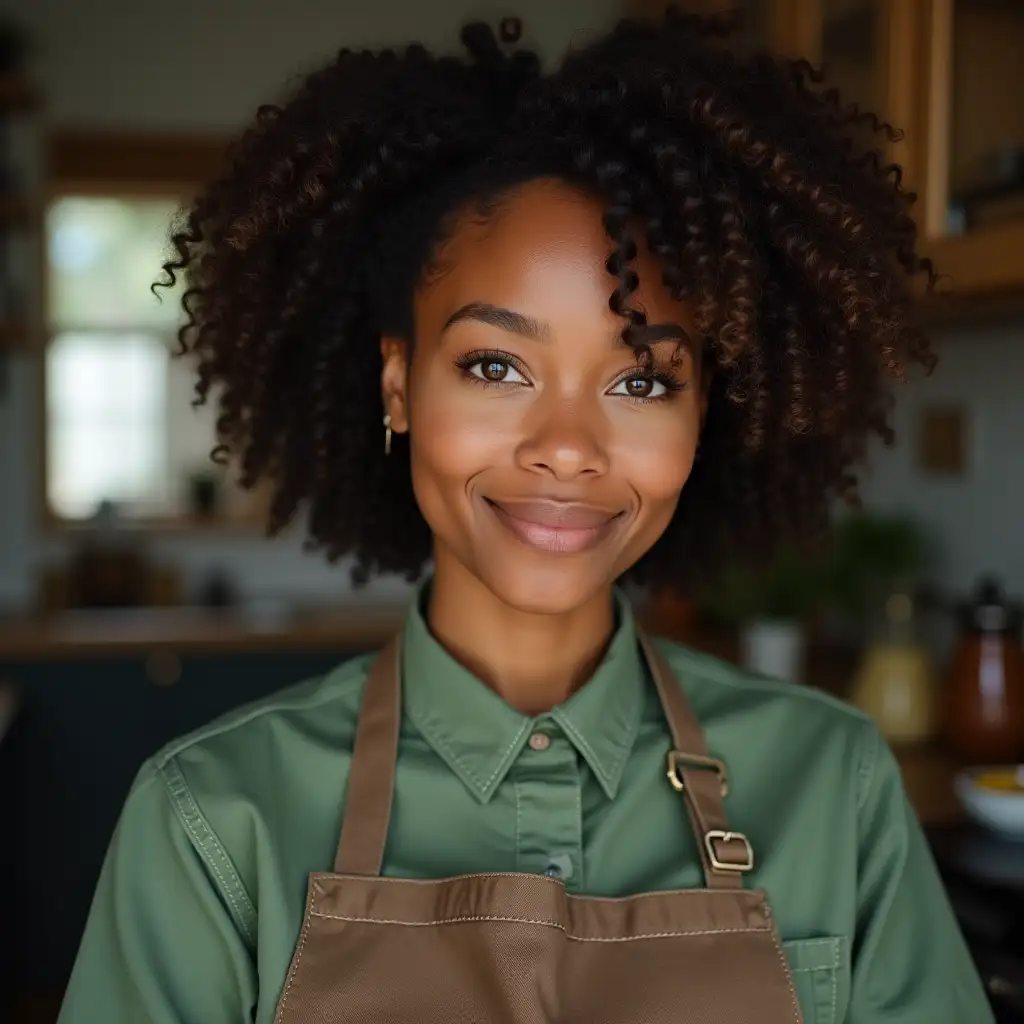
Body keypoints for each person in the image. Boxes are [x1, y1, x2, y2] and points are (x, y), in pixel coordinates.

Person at [59, 12, 992, 1024]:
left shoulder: (833, 782)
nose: (567, 444)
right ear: (398, 384)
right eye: (495, 365)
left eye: (640, 380)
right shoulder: (212, 815)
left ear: (706, 411)